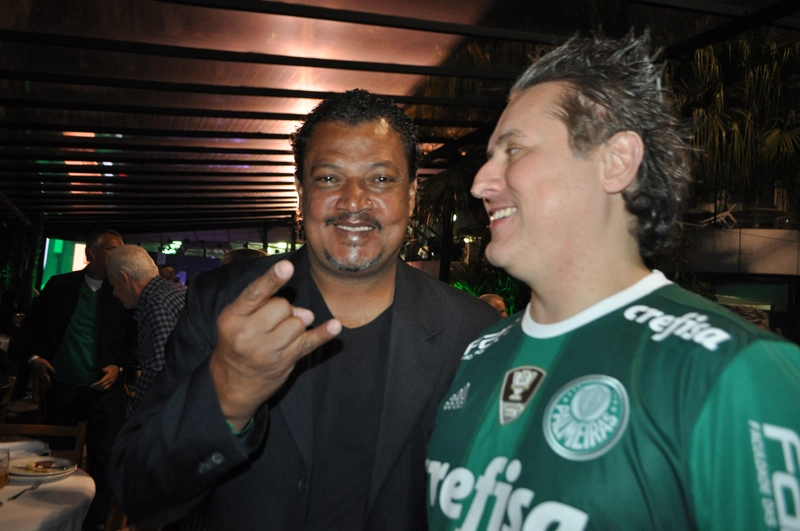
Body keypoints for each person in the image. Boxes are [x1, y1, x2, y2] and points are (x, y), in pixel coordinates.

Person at [425, 32, 800, 531]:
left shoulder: (732, 369)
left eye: (513, 150)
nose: (480, 183)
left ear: (616, 161)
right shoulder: (481, 352)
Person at [110, 89, 499, 530]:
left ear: (411, 195)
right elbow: (138, 493)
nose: (354, 202)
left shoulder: (474, 334)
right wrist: (227, 395)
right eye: (329, 179)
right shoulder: (222, 303)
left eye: (381, 179)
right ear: (301, 192)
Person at [20, 229, 136, 530]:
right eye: (113, 249)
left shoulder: (120, 288)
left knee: (105, 459)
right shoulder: (61, 285)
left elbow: (133, 340)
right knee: (58, 458)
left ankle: (93, 523)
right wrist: (33, 358)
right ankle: (54, 517)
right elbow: (30, 327)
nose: (119, 255)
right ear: (92, 253)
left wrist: (119, 367)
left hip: (106, 391)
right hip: (63, 386)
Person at [106, 245, 187, 417]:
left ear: (124, 278)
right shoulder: (177, 291)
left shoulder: (155, 304)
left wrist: (134, 415)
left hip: (172, 414)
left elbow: (159, 368)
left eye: (113, 284)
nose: (114, 293)